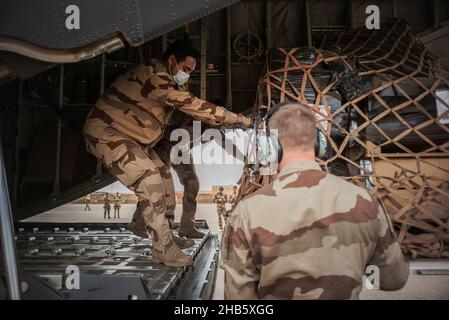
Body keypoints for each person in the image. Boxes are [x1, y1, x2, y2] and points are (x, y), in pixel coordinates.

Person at [83, 38, 252, 267]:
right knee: (149, 178)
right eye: (185, 69)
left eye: (190, 71)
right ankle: (163, 248)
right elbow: (192, 104)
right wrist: (239, 119)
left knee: (164, 177)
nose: (187, 75)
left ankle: (167, 236)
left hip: (134, 139)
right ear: (171, 60)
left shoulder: (170, 82)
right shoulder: (154, 77)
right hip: (106, 132)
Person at [222, 102, 409, 299]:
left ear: (270, 146)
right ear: (320, 143)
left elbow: (238, 300)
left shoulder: (248, 212)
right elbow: (394, 280)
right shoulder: (365, 202)